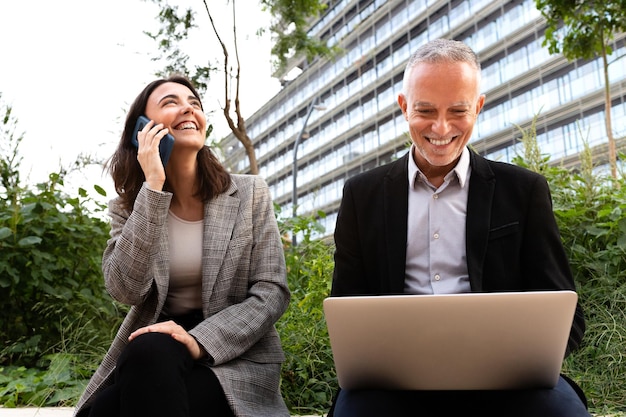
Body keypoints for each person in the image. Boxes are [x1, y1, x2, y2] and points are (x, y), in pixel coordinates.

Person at [327, 38, 589, 417]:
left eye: (458, 111)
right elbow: (347, 309)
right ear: (404, 107)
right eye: (425, 110)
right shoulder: (361, 195)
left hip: (508, 381)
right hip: (393, 384)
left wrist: (527, 354)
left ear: (478, 108)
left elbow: (568, 316)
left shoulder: (524, 191)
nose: (441, 127)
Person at [74, 75, 291, 417]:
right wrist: (154, 188)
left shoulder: (250, 193)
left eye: (194, 103)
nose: (188, 108)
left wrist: (198, 340)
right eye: (170, 102)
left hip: (234, 356)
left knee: (108, 409)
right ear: (142, 130)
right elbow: (125, 289)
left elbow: (272, 292)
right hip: (156, 346)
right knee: (134, 370)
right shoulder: (129, 206)